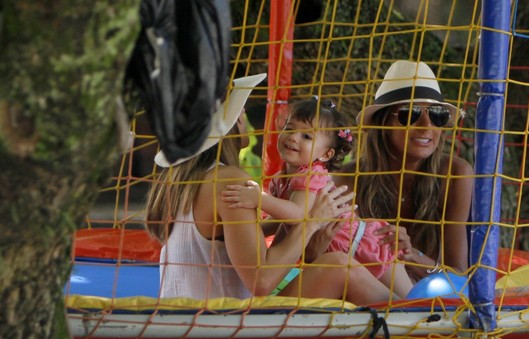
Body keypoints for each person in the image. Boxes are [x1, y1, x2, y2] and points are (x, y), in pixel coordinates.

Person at [145, 74, 399, 305]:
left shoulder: (178, 183)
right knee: (339, 265)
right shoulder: (229, 180)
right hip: (224, 326)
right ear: (230, 125)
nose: (244, 120)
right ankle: (414, 317)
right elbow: (261, 281)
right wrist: (311, 223)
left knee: (336, 261)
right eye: (240, 113)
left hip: (179, 318)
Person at [221, 98, 414, 298]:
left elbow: (298, 215)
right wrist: (247, 230)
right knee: (385, 305)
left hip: (364, 243)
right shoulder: (283, 178)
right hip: (340, 251)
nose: (294, 137)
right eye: (289, 128)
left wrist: (258, 198)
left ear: (325, 154)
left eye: (306, 136)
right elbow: (282, 221)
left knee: (409, 302)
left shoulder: (311, 175)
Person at [327, 60, 474, 288]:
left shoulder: (455, 174)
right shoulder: (347, 180)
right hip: (366, 292)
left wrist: (411, 255)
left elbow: (458, 277)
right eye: (410, 114)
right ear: (382, 122)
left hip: (434, 298)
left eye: (437, 115)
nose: (426, 126)